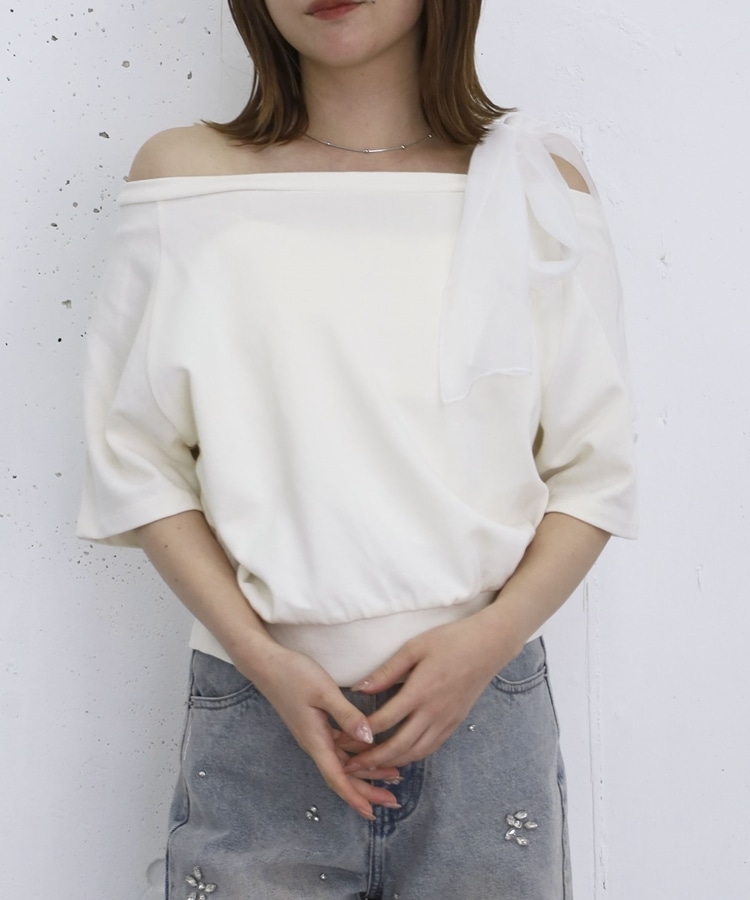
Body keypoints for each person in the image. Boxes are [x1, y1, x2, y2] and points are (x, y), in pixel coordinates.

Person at [77, 1, 638, 897]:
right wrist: (264, 660)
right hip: (254, 702)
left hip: (486, 711)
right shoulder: (185, 180)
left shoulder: (534, 183)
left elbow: (594, 470)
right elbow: (138, 461)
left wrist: (489, 641)